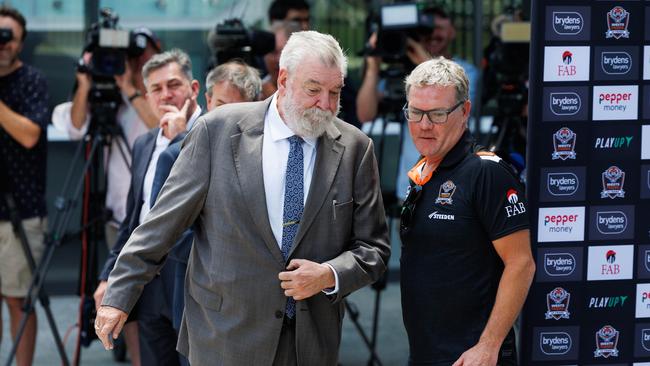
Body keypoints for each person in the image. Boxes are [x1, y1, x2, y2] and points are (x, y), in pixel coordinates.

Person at [94, 30, 390, 366]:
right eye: (313, 90)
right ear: (283, 79)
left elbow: (374, 249)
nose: (325, 104)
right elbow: (161, 225)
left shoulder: (355, 148)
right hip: (225, 336)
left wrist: (329, 274)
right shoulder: (216, 130)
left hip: (309, 345)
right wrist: (118, 296)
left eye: (334, 92)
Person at [399, 57, 535, 366]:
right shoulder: (423, 171)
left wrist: (488, 346)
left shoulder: (486, 172)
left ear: (465, 111)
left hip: (473, 358)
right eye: (416, 112)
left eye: (437, 113)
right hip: (424, 354)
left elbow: (522, 264)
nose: (424, 125)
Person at [93, 48, 202, 365]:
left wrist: (183, 139)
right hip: (149, 279)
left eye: (173, 85)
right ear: (146, 95)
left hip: (190, 278)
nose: (165, 94)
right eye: (156, 88)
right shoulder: (144, 143)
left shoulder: (212, 134)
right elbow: (133, 223)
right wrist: (109, 276)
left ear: (193, 89)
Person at [147, 59, 262, 339]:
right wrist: (227, 254)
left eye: (241, 108)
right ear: (208, 100)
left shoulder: (270, 156)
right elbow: (166, 233)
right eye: (222, 105)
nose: (230, 117)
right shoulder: (176, 155)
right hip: (198, 306)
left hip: (255, 307)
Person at [356, 6, 479, 201]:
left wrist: (424, 62)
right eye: (424, 31)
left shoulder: (466, 72)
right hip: (409, 190)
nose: (432, 34)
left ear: (452, 31)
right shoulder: (405, 73)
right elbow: (365, 114)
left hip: (452, 189)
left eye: (438, 28)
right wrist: (373, 68)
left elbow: (457, 108)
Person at [0, 6, 49, 366]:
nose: (2, 44)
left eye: (8, 36)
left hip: (21, 209)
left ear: (21, 43)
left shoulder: (32, 80)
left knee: (19, 300)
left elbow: (30, 134)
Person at [261, 20, 301, 99]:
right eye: (273, 52)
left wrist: (273, 98)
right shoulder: (256, 90)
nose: (278, 59)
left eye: (284, 52)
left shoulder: (311, 89)